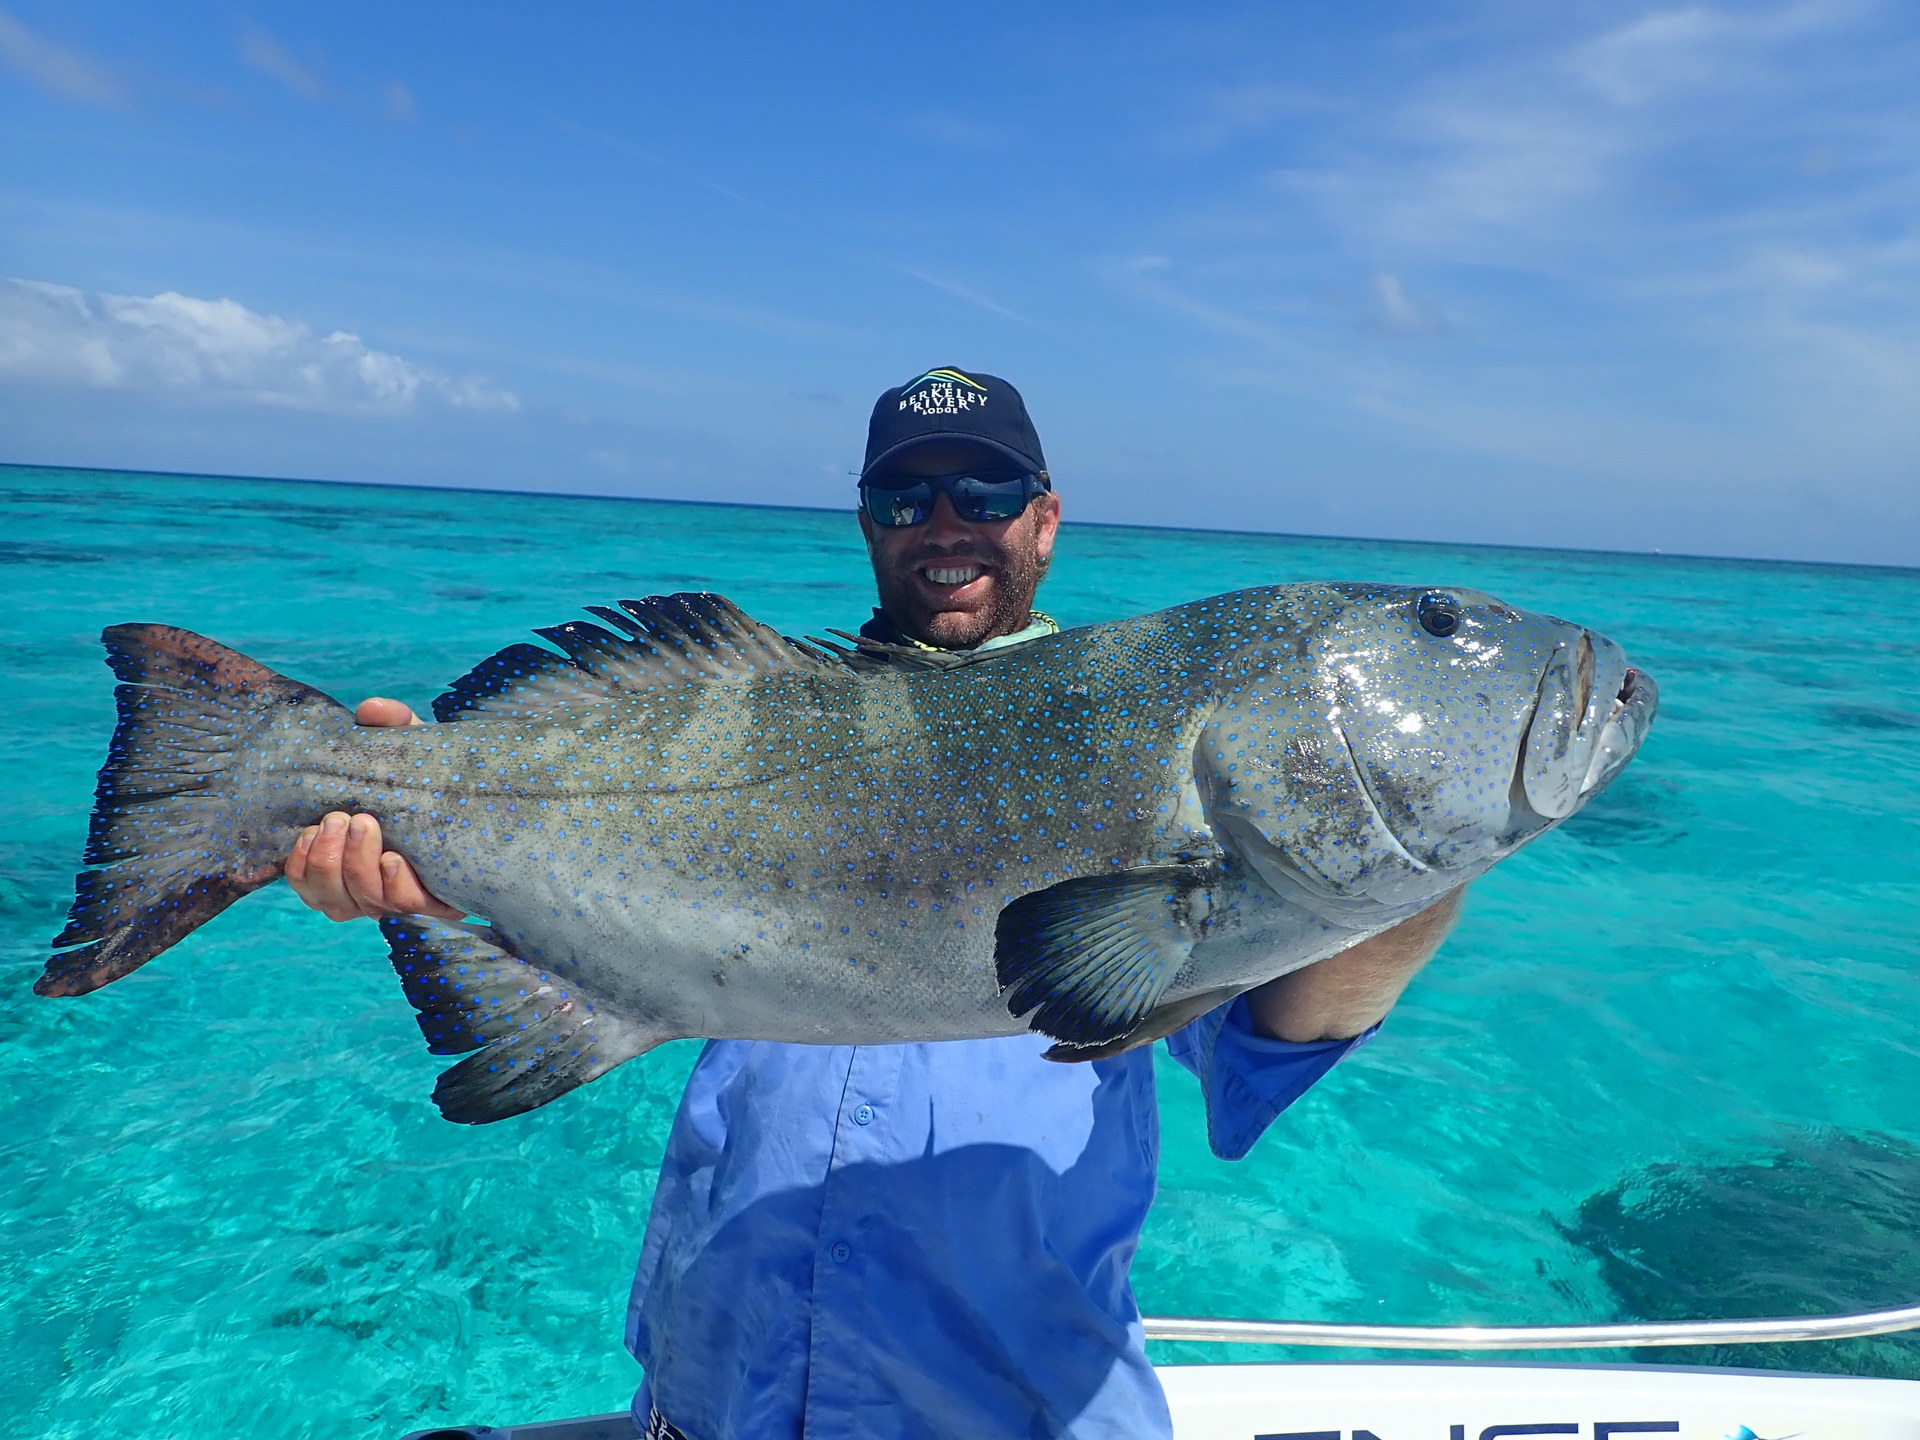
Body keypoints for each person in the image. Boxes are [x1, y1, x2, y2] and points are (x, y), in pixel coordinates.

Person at [285, 367, 1462, 1440]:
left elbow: (1274, 1040)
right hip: (704, 1414)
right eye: (905, 500)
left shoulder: (1151, 746)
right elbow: (607, 926)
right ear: (867, 527)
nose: (946, 524)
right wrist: (421, 878)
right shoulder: (761, 712)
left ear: (1044, 518)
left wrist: (1415, 853)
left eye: (983, 489)